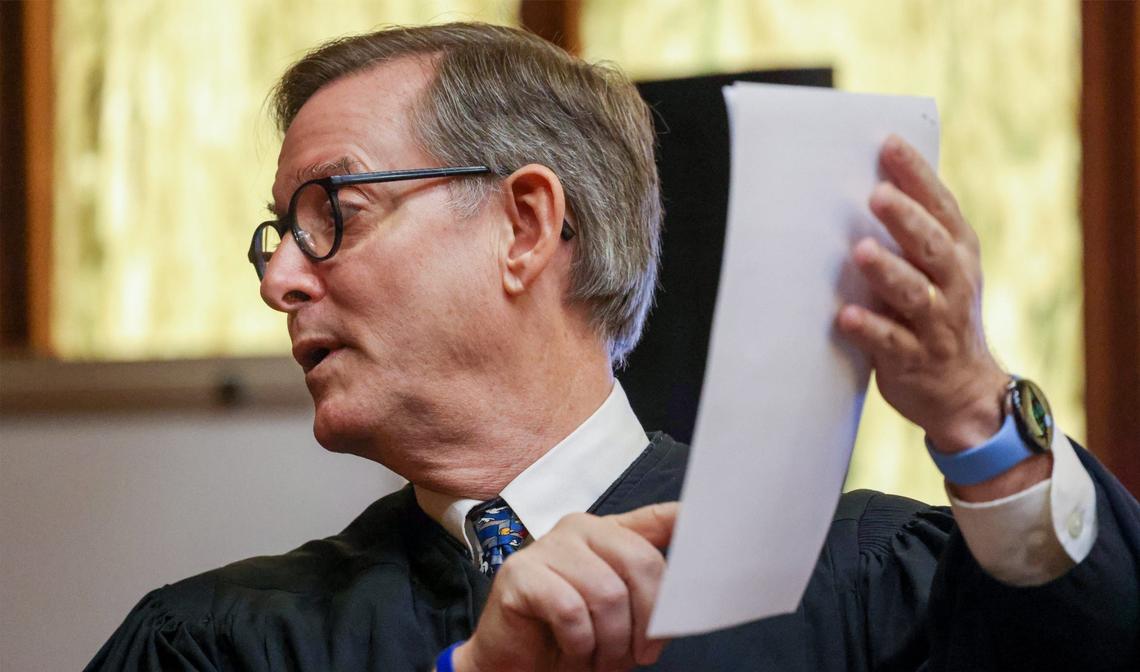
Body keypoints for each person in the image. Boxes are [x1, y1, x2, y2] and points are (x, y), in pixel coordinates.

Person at [87, 22, 1139, 672]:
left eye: (333, 212)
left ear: (525, 225)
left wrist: (978, 413)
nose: (278, 278)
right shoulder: (222, 643)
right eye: (277, 235)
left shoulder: (857, 585)